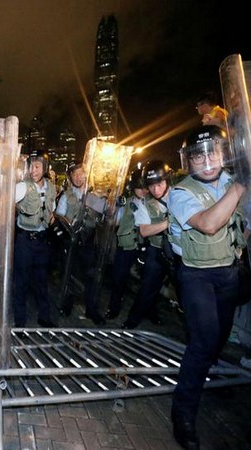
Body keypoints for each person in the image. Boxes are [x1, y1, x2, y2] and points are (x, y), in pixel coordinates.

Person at [167, 125, 246, 450]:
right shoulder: (180, 192)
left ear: (224, 153)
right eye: (198, 155)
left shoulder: (231, 179)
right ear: (190, 161)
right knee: (201, 342)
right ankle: (182, 415)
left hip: (229, 272)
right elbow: (210, 224)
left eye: (212, 152)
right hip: (196, 275)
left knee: (220, 335)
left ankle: (211, 375)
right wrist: (241, 185)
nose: (207, 160)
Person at [121, 160, 175, 329]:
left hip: (180, 253)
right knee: (147, 288)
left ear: (167, 181)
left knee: (187, 294)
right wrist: (169, 222)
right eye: (151, 185)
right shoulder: (144, 203)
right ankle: (132, 321)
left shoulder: (180, 195)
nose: (155, 189)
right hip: (157, 251)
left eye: (159, 184)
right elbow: (144, 231)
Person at [55, 161, 106, 326]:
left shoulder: (93, 196)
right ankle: (66, 306)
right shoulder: (66, 195)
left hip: (88, 241)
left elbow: (103, 216)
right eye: (74, 174)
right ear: (71, 177)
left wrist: (108, 204)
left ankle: (92, 310)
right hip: (71, 241)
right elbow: (60, 215)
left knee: (92, 276)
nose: (78, 177)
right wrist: (69, 224)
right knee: (68, 274)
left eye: (80, 173)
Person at [12, 151, 57, 328]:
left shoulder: (51, 187)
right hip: (24, 241)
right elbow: (6, 203)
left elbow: (51, 210)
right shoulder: (22, 186)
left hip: (42, 240)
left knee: (41, 281)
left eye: (37, 166)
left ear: (45, 168)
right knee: (21, 282)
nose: (33, 170)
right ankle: (20, 322)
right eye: (31, 165)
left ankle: (44, 318)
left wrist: (52, 220)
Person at [105, 168, 148, 319]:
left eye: (145, 187)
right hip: (126, 245)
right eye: (139, 187)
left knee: (148, 282)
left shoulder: (151, 202)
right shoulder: (125, 202)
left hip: (144, 246)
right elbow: (115, 221)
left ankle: (150, 312)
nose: (143, 190)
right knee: (118, 278)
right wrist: (114, 209)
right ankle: (113, 308)